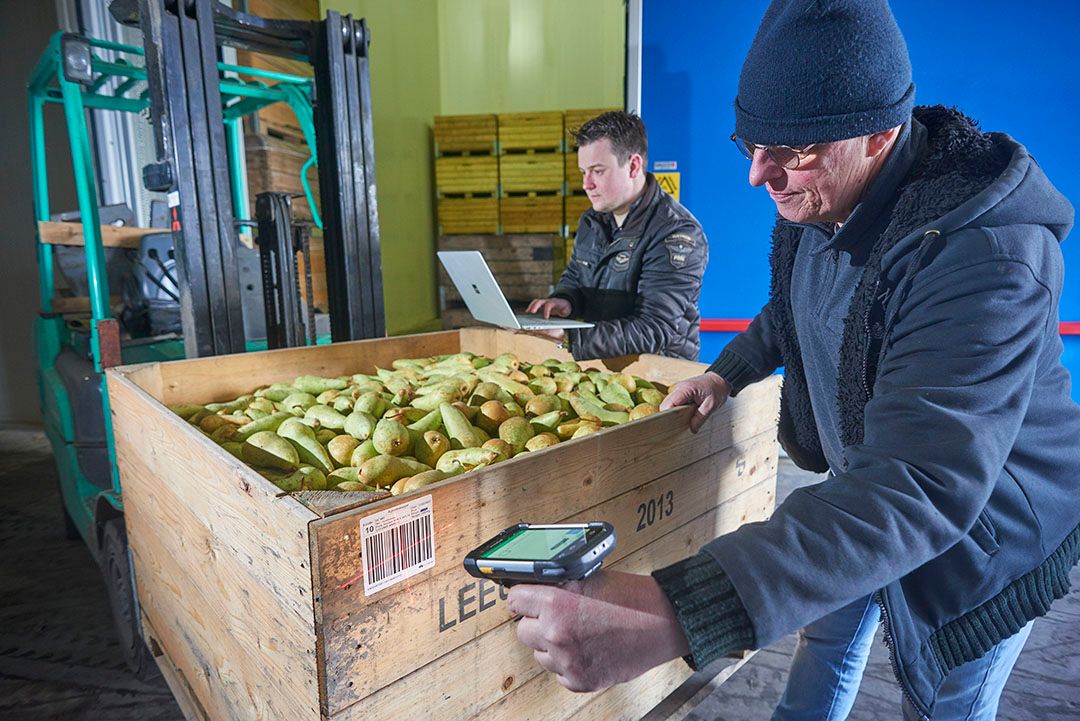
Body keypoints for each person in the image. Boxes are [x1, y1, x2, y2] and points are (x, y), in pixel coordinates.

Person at [506, 2, 1080, 719]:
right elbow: (793, 308)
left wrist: (674, 611)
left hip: (981, 540)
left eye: (794, 152)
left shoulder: (987, 258)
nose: (757, 175)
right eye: (750, 142)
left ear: (880, 134)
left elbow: (920, 486)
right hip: (864, 482)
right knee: (827, 634)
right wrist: (726, 370)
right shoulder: (830, 200)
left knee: (941, 695)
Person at [525, 111, 708, 361]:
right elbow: (577, 277)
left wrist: (569, 337)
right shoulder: (593, 220)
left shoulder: (676, 233)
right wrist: (565, 300)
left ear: (633, 166)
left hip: (658, 378)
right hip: (601, 368)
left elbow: (654, 329)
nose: (586, 184)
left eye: (597, 171)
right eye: (583, 172)